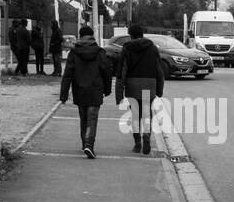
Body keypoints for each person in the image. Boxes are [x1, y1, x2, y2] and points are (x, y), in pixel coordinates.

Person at [60, 24, 111, 158]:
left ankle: (85, 143)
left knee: (84, 118)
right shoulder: (100, 52)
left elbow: (67, 74)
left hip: (79, 90)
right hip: (95, 90)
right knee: (92, 119)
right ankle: (89, 145)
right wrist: (108, 89)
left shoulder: (74, 53)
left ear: (80, 36)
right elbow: (106, 71)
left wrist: (64, 94)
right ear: (92, 36)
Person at [115, 23, 165, 155]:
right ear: (142, 34)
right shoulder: (153, 48)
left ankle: (137, 144)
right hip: (149, 84)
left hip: (132, 85)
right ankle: (147, 135)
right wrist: (159, 89)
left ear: (130, 35)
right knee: (147, 113)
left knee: (136, 115)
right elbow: (159, 70)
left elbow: (122, 70)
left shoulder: (127, 48)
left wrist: (119, 93)